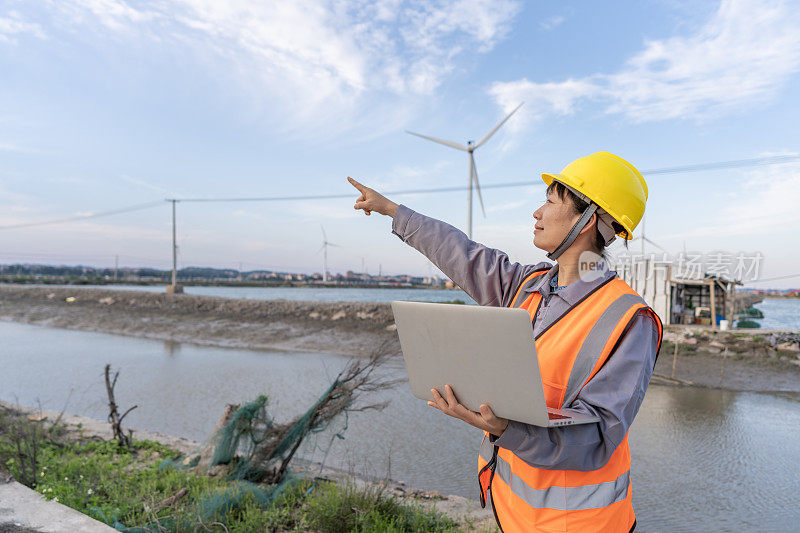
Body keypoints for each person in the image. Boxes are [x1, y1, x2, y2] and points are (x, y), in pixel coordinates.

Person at [347, 151, 662, 533]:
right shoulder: (527, 285)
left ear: (587, 220)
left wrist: (504, 429)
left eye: (549, 201)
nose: (537, 213)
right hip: (511, 514)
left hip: (580, 525)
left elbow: (597, 436)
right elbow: (462, 254)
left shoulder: (630, 319)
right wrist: (393, 211)